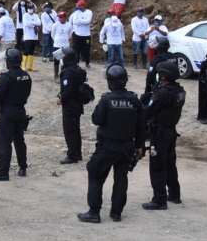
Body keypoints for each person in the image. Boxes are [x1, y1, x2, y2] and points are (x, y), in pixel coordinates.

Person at [77, 65, 145, 223]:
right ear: (125, 80)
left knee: (95, 174)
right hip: (127, 146)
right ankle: (116, 213)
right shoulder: (134, 100)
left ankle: (94, 212)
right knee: (121, 178)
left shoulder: (107, 100)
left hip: (107, 146)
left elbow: (96, 119)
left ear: (109, 82)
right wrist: (139, 147)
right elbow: (141, 127)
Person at [142, 61, 185, 211]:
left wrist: (143, 103)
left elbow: (149, 111)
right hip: (170, 131)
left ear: (164, 76)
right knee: (170, 164)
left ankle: (159, 200)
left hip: (159, 133)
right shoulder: (179, 91)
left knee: (157, 166)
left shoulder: (163, 93)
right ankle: (174, 194)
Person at [0, 49, 31, 181]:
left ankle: (3, 172)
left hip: (8, 112)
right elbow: (27, 93)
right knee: (19, 141)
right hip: (21, 111)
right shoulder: (26, 76)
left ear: (9, 62)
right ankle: (23, 167)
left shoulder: (5, 77)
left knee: (5, 142)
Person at [58, 47, 86, 164]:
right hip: (77, 104)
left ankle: (72, 155)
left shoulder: (69, 72)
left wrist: (61, 98)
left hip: (70, 105)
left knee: (69, 131)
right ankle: (77, 153)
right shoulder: (77, 69)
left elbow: (68, 90)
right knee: (75, 130)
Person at [70, 0, 93, 68]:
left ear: (83, 6)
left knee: (87, 50)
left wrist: (79, 21)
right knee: (76, 50)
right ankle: (76, 63)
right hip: (77, 35)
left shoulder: (89, 12)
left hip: (86, 35)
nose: (78, 7)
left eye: (79, 6)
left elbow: (88, 21)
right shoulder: (75, 13)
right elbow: (73, 22)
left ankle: (87, 63)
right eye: (77, 6)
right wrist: (82, 22)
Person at [51, 11, 73, 79]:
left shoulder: (69, 25)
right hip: (57, 45)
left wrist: (65, 39)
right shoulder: (55, 25)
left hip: (65, 45)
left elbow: (70, 35)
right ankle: (56, 75)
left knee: (65, 61)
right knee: (56, 61)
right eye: (59, 17)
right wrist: (57, 40)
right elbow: (52, 35)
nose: (60, 18)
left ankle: (63, 75)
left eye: (62, 17)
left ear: (65, 18)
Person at [22, 4, 41, 72]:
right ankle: (23, 66)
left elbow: (39, 23)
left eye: (31, 8)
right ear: (27, 9)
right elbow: (27, 24)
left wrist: (32, 23)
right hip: (28, 36)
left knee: (32, 51)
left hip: (34, 36)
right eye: (29, 8)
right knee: (26, 51)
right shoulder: (25, 15)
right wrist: (34, 24)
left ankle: (30, 66)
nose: (30, 9)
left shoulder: (36, 15)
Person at [0, 7, 17, 72]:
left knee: (1, 57)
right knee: (10, 57)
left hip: (5, 41)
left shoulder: (1, 20)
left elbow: (1, 32)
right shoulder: (10, 19)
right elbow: (14, 30)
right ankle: (10, 71)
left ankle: (3, 72)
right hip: (12, 40)